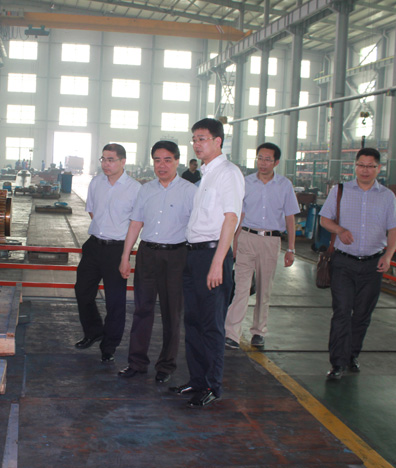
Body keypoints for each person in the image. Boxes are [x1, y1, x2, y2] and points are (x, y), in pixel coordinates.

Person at [168, 118, 244, 408]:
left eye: (202, 139)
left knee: (211, 325)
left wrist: (218, 262)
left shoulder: (228, 173)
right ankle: (197, 380)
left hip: (213, 256)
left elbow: (231, 219)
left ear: (217, 141)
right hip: (194, 255)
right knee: (194, 322)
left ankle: (213, 385)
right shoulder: (205, 175)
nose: (197, 144)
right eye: (194, 139)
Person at [319, 147, 396, 380]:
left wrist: (388, 256)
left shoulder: (387, 196)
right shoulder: (340, 191)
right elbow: (325, 219)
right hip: (343, 263)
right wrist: (339, 230)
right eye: (361, 165)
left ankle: (352, 355)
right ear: (354, 166)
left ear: (378, 168)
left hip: (372, 265)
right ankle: (337, 363)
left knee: (362, 315)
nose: (365, 170)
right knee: (341, 312)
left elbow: (395, 228)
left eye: (370, 166)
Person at [117, 141, 197, 384]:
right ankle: (136, 363)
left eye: (167, 160)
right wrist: (125, 256)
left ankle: (166, 365)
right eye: (157, 160)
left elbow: (197, 228)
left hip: (177, 256)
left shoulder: (190, 191)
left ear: (177, 161)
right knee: (142, 309)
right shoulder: (146, 190)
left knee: (172, 312)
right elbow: (135, 223)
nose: (162, 165)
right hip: (148, 254)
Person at [225, 142, 299, 350]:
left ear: (276, 162)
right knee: (241, 288)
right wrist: (234, 242)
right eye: (260, 158)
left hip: (271, 240)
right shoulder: (246, 183)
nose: (263, 163)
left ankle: (258, 331)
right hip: (247, 237)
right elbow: (240, 215)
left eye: (267, 159)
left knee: (264, 289)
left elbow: (290, 217)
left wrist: (291, 248)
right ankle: (232, 333)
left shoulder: (284, 185)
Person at [74, 143, 141, 363]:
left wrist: (125, 256)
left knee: (115, 301)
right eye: (103, 159)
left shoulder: (135, 189)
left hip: (117, 249)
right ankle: (93, 331)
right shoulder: (96, 183)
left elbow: (136, 223)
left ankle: (109, 345)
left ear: (123, 162)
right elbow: (92, 211)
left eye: (111, 160)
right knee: (83, 292)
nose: (106, 164)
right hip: (94, 246)